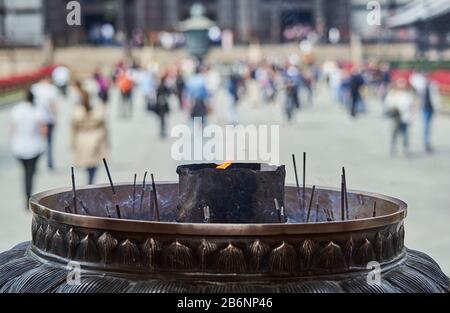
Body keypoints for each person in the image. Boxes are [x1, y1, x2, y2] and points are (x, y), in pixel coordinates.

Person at [10, 89, 47, 205]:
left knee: (26, 172)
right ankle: (28, 196)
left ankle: (27, 196)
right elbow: (43, 130)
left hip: (19, 146)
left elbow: (13, 129)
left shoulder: (16, 110)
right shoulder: (37, 110)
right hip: (34, 146)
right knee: (30, 173)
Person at [71, 81, 108, 185]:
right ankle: (90, 182)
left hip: (82, 138)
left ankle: (89, 182)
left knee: (88, 164)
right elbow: (104, 126)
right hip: (96, 138)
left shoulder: (77, 110)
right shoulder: (99, 108)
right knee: (93, 165)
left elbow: (73, 128)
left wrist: (73, 143)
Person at [31, 76, 60, 170]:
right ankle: (50, 163)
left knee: (37, 141)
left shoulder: (34, 88)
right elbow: (54, 105)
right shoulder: (52, 89)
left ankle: (35, 164)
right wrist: (56, 118)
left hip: (37, 119)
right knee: (49, 142)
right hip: (48, 119)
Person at [385, 78, 416, 156]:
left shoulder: (408, 94)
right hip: (396, 116)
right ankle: (393, 147)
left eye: (403, 83)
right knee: (394, 132)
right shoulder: (393, 93)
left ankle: (405, 148)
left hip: (406, 116)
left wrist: (413, 115)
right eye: (400, 83)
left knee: (405, 133)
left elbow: (412, 105)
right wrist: (393, 105)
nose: (402, 85)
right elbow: (387, 103)